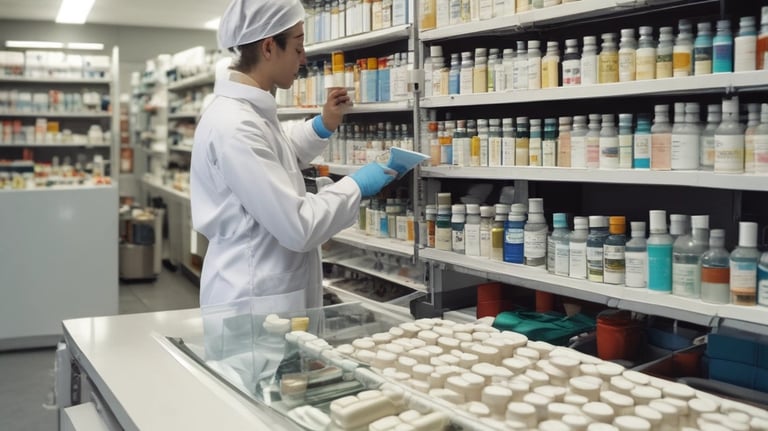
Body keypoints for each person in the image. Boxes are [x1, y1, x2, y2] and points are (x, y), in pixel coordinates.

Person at [191, 0, 396, 311]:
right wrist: (356, 185)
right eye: (298, 47)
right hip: (252, 306)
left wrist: (322, 125)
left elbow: (275, 153)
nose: (303, 58)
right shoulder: (235, 126)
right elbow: (298, 227)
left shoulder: (248, 114)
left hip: (267, 296)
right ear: (269, 47)